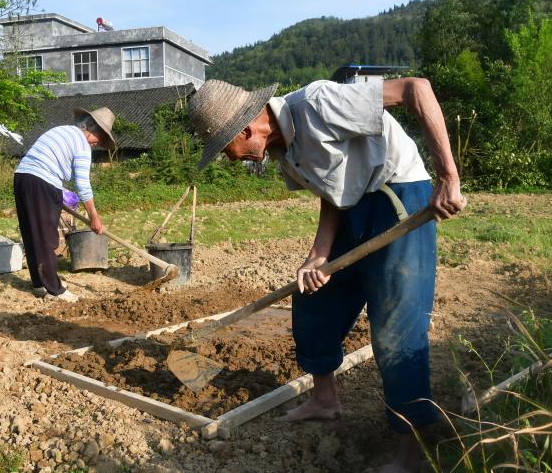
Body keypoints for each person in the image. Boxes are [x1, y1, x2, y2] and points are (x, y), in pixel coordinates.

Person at [188, 78, 466, 472]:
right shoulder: (284, 151)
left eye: (226, 150)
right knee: (313, 295)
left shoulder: (318, 104)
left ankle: (410, 454)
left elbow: (415, 89)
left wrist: (448, 177)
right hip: (354, 206)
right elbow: (333, 192)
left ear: (245, 130)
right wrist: (317, 256)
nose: (232, 160)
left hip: (398, 195)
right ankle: (324, 400)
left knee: (396, 327)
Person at [13, 107, 115, 303]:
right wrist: (94, 215)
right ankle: (55, 290)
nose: (97, 145)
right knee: (46, 239)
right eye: (99, 139)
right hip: (41, 181)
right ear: (91, 129)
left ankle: (39, 284)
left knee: (32, 233)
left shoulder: (62, 131)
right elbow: (82, 184)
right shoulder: (82, 145)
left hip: (22, 178)